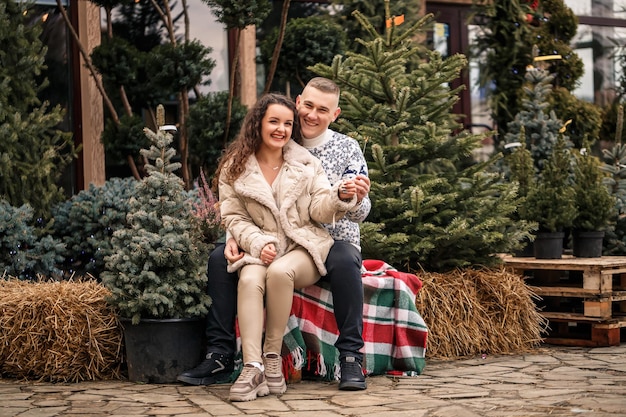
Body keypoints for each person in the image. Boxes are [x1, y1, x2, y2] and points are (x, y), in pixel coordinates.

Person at [177, 77, 371, 391]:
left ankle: (350, 356)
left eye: (322, 110)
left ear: (334, 115)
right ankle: (221, 354)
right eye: (307, 106)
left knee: (346, 259)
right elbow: (235, 211)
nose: (312, 114)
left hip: (330, 237)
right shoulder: (253, 155)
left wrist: (351, 196)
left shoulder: (342, 149)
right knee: (219, 259)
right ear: (297, 103)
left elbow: (352, 209)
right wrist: (237, 238)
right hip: (269, 236)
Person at [215, 92, 358, 402]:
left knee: (279, 272)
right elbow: (233, 216)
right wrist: (257, 242)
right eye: (274, 122)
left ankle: (271, 360)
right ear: (258, 124)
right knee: (251, 279)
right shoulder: (234, 167)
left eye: (287, 123)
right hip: (259, 245)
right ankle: (252, 368)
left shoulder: (306, 163)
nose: (281, 129)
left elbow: (320, 208)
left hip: (301, 246)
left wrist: (340, 197)